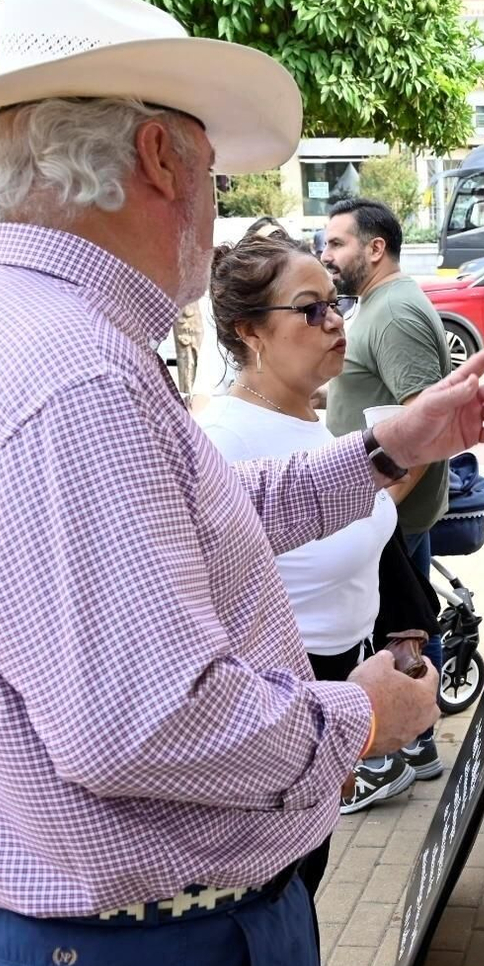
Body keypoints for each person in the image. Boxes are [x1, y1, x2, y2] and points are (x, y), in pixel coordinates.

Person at [0, 0, 484, 966]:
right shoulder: (70, 369)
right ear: (160, 158)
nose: (217, 213)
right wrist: (357, 716)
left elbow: (200, 511)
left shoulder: (28, 329)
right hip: (147, 953)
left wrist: (387, 443)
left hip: (110, 944)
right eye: (213, 173)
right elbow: (145, 722)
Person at [199, 232, 423, 820]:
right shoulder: (229, 441)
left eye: (335, 302)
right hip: (284, 691)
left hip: (350, 669)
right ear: (250, 331)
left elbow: (366, 534)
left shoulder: (310, 420)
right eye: (309, 309)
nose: (334, 321)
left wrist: (401, 633)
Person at [322, 197, 452, 783]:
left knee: (401, 625)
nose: (327, 255)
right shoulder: (375, 304)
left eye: (336, 244)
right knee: (403, 619)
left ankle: (408, 747)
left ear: (375, 249)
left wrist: (382, 508)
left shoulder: (395, 313)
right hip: (377, 505)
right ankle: (413, 745)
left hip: (391, 510)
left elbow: (424, 423)